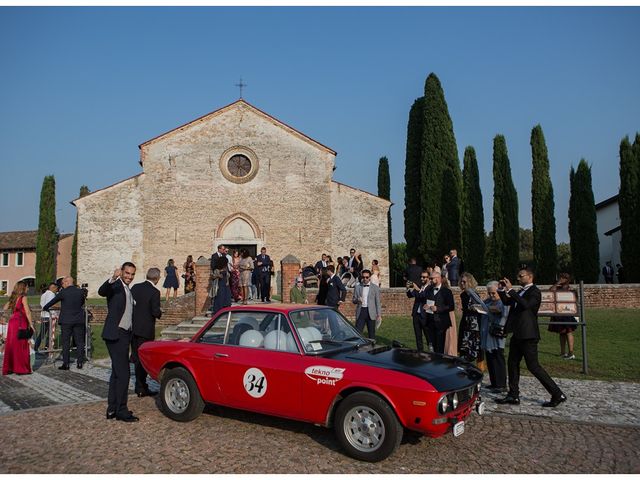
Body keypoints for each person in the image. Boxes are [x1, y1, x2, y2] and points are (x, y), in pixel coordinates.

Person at [495, 267, 567, 408]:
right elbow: (507, 302)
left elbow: (526, 305)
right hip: (518, 333)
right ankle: (513, 394)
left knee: (533, 366)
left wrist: (511, 291)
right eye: (518, 276)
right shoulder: (521, 292)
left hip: (528, 334)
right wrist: (502, 290)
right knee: (512, 363)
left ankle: (557, 394)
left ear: (530, 277)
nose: (518, 278)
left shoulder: (534, 292)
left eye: (521, 276)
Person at [98, 262, 139, 422]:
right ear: (121, 272)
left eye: (132, 274)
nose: (129, 276)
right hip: (115, 334)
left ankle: (112, 409)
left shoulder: (128, 289)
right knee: (124, 373)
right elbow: (102, 291)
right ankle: (121, 410)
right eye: (127, 273)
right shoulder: (115, 286)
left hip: (124, 335)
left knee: (116, 373)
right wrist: (113, 278)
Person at [42, 276, 87, 370]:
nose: (62, 285)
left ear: (67, 282)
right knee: (79, 342)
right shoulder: (80, 292)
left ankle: (66, 364)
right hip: (79, 320)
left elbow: (52, 302)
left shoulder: (63, 292)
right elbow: (82, 303)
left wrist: (45, 307)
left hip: (66, 320)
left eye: (63, 283)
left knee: (66, 342)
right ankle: (79, 363)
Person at [131, 267, 162, 397]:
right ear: (157, 279)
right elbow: (155, 311)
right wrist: (160, 313)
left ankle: (139, 385)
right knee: (143, 359)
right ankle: (142, 386)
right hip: (146, 329)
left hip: (133, 328)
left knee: (136, 357)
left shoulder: (135, 287)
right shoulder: (154, 292)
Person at [2, 281, 34, 375]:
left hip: (13, 322)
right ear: (23, 288)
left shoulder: (14, 297)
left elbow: (4, 308)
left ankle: (10, 367)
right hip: (21, 322)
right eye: (27, 287)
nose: (28, 289)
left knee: (11, 344)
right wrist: (31, 324)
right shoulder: (23, 297)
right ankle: (21, 369)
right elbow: (28, 312)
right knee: (21, 345)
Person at [482, 281, 508, 392]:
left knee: (498, 357)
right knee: (490, 357)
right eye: (490, 293)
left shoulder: (503, 301)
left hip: (497, 332)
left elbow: (504, 313)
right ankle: (494, 382)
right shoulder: (488, 300)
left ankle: (501, 384)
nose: (492, 295)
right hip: (487, 331)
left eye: (494, 293)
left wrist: (490, 309)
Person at [547, 273, 578, 360]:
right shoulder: (557, 287)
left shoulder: (569, 288)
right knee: (561, 333)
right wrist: (557, 283)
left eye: (564, 278)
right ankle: (562, 352)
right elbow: (550, 292)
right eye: (561, 278)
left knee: (568, 331)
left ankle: (571, 352)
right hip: (558, 313)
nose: (562, 279)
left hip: (567, 312)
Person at [424, 269, 454, 354]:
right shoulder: (429, 290)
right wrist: (426, 306)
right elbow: (426, 301)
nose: (430, 280)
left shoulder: (447, 292)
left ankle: (439, 363)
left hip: (441, 322)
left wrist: (438, 309)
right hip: (430, 321)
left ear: (437, 279)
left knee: (440, 346)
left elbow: (451, 307)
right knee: (432, 346)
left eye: (431, 278)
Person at [457, 273, 482, 364]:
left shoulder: (474, 294)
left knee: (472, 345)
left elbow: (480, 307)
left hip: (473, 323)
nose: (462, 283)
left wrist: (473, 308)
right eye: (461, 281)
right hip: (465, 320)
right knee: (463, 344)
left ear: (470, 282)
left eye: (464, 282)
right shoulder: (463, 294)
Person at [352, 269, 382, 339]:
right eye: (363, 277)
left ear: (370, 277)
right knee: (358, 333)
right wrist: (357, 300)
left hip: (371, 312)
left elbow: (377, 302)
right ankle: (358, 347)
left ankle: (372, 348)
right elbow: (353, 300)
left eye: (367, 277)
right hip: (361, 311)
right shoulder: (358, 287)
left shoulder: (375, 287)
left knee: (371, 334)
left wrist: (379, 314)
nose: (365, 279)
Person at [407, 270, 430, 351]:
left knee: (428, 336)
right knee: (418, 336)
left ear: (428, 278)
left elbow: (423, 296)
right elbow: (410, 295)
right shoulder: (421, 286)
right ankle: (420, 352)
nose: (422, 278)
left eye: (424, 277)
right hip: (416, 314)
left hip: (425, 316)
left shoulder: (430, 288)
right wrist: (408, 288)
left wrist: (416, 289)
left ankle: (432, 352)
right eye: (421, 277)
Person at [35, 282, 58, 353]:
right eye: (56, 288)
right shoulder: (51, 294)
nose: (56, 290)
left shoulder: (43, 294)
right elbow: (51, 304)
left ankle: (36, 347)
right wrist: (60, 307)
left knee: (42, 333)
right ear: (52, 288)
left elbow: (42, 304)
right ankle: (47, 348)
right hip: (50, 316)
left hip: (44, 315)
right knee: (50, 333)